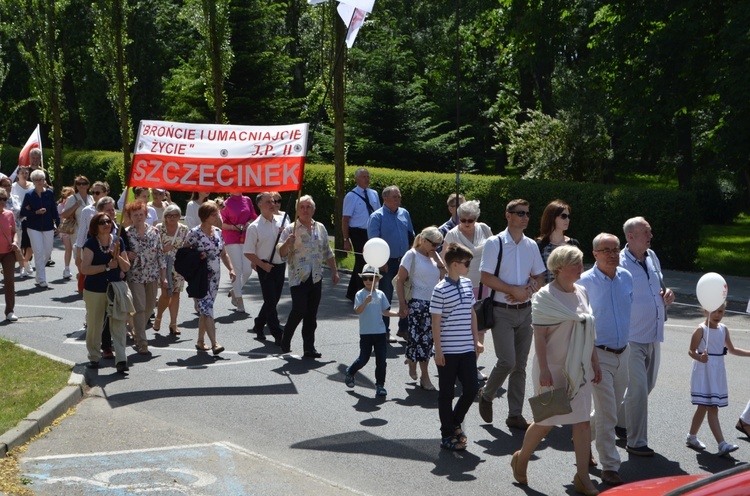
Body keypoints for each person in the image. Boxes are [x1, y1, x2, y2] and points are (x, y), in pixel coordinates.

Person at [512, 245, 601, 495]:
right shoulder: (544, 297)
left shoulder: (582, 291)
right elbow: (539, 336)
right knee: (546, 422)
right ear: (560, 268)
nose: (581, 268)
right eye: (576, 264)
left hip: (579, 367)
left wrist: (594, 361)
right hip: (550, 368)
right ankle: (521, 458)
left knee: (582, 422)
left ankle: (582, 477)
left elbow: (588, 330)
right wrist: (543, 370)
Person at [477, 199, 545, 430]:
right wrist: (513, 290)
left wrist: (530, 288)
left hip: (525, 311)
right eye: (520, 213)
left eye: (527, 213)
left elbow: (540, 276)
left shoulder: (531, 245)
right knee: (507, 361)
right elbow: (485, 277)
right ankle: (486, 395)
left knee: (520, 366)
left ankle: (514, 414)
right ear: (508, 215)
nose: (525, 217)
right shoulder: (494, 243)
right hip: (501, 311)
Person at [578, 233, 633, 487]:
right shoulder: (584, 282)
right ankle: (610, 467)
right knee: (609, 413)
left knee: (607, 409)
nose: (613, 253)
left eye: (616, 248)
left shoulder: (626, 277)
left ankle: (581, 433)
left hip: (624, 352)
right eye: (606, 249)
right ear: (595, 254)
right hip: (598, 355)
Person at [618, 216, 674, 456]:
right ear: (631, 237)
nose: (650, 235)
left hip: (654, 333)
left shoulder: (652, 257)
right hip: (631, 337)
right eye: (645, 232)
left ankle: (619, 422)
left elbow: (658, 287)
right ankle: (636, 441)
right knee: (638, 389)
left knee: (647, 385)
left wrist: (667, 295)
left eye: (650, 231)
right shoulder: (619, 263)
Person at [431, 243, 482, 451]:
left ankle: (454, 422)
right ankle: (447, 434)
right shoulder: (439, 290)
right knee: (446, 394)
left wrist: (476, 339)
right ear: (454, 265)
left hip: (467, 349)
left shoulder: (468, 284)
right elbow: (435, 322)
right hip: (448, 351)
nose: (469, 267)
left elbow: (471, 313)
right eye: (466, 263)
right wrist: (438, 350)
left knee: (471, 388)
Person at [278, 195, 339, 357]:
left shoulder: (320, 228)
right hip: (299, 277)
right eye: (302, 207)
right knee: (299, 310)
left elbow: (327, 251)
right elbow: (280, 252)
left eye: (308, 207)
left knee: (311, 315)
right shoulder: (291, 229)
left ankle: (309, 348)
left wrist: (334, 270)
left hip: (316, 276)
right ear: (297, 210)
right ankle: (286, 339)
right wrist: (287, 243)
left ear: (314, 209)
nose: (305, 210)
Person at [687, 302, 750, 456]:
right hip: (703, 372)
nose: (717, 315)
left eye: (721, 311)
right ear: (705, 311)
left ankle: (691, 436)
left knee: (703, 407)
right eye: (714, 311)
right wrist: (700, 357)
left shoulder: (723, 329)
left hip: (716, 372)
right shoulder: (700, 330)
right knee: (711, 407)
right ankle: (722, 444)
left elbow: (733, 349)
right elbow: (691, 351)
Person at [443, 200, 493, 381]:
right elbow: (444, 262)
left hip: (483, 284)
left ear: (476, 219)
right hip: (461, 286)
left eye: (469, 220)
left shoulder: (485, 229)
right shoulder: (452, 234)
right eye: (462, 220)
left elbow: (493, 253)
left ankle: (472, 367)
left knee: (480, 327)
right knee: (463, 328)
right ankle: (459, 365)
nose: (465, 224)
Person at [80, 212, 131, 373]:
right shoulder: (90, 244)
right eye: (102, 222)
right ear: (96, 227)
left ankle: (121, 359)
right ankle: (94, 357)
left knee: (118, 324)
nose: (106, 224)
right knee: (95, 325)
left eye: (109, 221)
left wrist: (117, 257)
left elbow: (126, 267)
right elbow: (85, 268)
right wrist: (107, 267)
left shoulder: (118, 241)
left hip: (115, 289)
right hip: (95, 290)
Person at [396, 226, 445, 390]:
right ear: (424, 241)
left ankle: (412, 361)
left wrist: (438, 260)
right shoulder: (411, 255)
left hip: (434, 304)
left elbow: (443, 278)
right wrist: (403, 304)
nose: (436, 247)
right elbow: (400, 280)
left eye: (439, 244)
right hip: (417, 303)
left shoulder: (434, 256)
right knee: (421, 340)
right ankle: (424, 377)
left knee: (427, 340)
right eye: (434, 243)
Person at [185, 201, 235, 354]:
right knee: (207, 309)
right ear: (205, 217)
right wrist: (197, 257)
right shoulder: (194, 233)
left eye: (217, 214)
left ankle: (200, 341)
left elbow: (224, 253)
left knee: (206, 309)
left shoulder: (218, 232)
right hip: (200, 277)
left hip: (215, 278)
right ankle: (215, 343)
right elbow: (184, 253)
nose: (217, 216)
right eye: (214, 215)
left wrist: (231, 269)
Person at [367, 185, 415, 343]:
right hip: (386, 263)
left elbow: (410, 235)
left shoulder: (405, 213)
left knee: (407, 295)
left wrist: (410, 256)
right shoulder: (377, 217)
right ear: (385, 199)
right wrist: (381, 262)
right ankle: (384, 331)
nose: (398, 200)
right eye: (395, 197)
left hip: (404, 262)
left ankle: (404, 328)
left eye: (399, 197)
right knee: (386, 297)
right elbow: (373, 242)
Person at [344, 264, 399, 396]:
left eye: (371, 278)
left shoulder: (380, 295)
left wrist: (398, 314)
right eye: (365, 278)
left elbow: (385, 312)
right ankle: (350, 371)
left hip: (380, 333)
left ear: (377, 280)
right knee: (363, 358)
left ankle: (380, 385)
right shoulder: (360, 294)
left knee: (381, 361)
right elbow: (358, 311)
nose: (368, 281)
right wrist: (365, 302)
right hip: (366, 333)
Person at [124, 200, 167, 355]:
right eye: (135, 215)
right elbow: (120, 253)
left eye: (141, 214)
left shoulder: (154, 231)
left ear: (146, 215)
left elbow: (160, 255)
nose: (139, 217)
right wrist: (127, 254)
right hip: (135, 274)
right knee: (140, 307)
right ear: (130, 217)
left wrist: (164, 277)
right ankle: (142, 341)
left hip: (152, 274)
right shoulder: (127, 233)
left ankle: (137, 328)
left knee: (149, 306)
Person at [244, 192, 287, 343]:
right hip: (265, 266)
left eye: (274, 201)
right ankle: (277, 334)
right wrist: (262, 265)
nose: (272, 204)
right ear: (260, 205)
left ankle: (259, 323)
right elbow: (248, 252)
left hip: (280, 265)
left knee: (273, 299)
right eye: (268, 202)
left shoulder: (282, 221)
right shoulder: (254, 227)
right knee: (270, 301)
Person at [343, 168, 380, 301]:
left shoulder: (374, 194)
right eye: (364, 177)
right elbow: (345, 219)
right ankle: (360, 293)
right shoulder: (351, 196)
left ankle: (352, 291)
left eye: (368, 176)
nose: (367, 179)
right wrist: (346, 239)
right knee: (362, 260)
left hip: (372, 231)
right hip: (358, 232)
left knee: (365, 261)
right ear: (357, 179)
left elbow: (378, 213)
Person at [20, 169, 59, 288]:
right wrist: (35, 212)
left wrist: (58, 223)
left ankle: (38, 274)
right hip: (33, 227)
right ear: (33, 181)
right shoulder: (29, 194)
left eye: (41, 179)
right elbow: (23, 212)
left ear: (44, 180)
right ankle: (42, 279)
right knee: (38, 251)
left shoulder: (49, 193)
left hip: (48, 226)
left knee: (47, 251)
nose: (39, 182)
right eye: (36, 180)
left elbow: (54, 209)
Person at [154, 204, 189, 336]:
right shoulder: (158, 228)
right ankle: (158, 317)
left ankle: (173, 323)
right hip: (163, 265)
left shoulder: (184, 229)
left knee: (175, 294)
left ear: (180, 217)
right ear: (165, 217)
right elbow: (153, 249)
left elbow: (188, 247)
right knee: (166, 294)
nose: (172, 218)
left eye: (175, 215)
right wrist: (164, 249)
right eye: (169, 215)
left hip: (179, 266)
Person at [221, 191, 257, 314]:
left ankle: (234, 291)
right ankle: (239, 300)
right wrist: (234, 227)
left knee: (248, 270)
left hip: (245, 237)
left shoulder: (247, 200)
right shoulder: (225, 204)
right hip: (231, 239)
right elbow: (221, 223)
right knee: (237, 269)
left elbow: (253, 216)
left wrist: (249, 223)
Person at [537, 199, 581, 284]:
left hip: (569, 293)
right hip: (547, 295)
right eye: (564, 216)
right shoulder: (539, 245)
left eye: (568, 216)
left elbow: (579, 271)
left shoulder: (573, 244)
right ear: (552, 217)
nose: (567, 220)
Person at [61, 176, 94, 279]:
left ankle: (84, 277)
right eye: (79, 184)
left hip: (90, 231)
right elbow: (64, 214)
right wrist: (76, 205)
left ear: (88, 185)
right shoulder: (72, 198)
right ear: (76, 186)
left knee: (89, 256)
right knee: (79, 256)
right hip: (77, 230)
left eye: (84, 183)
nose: (81, 186)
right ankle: (82, 275)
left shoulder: (91, 198)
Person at [0, 189, 20, 321]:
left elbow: (15, 232)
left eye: (4, 199)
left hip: (8, 252)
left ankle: (9, 311)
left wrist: (15, 242)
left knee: (9, 281)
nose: (2, 201)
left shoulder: (9, 214)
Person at [12, 166, 34, 277]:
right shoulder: (13, 187)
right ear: (17, 175)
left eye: (26, 173)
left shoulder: (32, 185)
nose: (24, 175)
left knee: (30, 244)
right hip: (18, 218)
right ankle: (22, 266)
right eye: (22, 173)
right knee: (20, 243)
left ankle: (26, 261)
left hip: (31, 217)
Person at [57, 187, 76, 279]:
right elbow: (62, 217)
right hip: (66, 229)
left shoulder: (77, 203)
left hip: (76, 228)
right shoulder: (61, 206)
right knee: (68, 249)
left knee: (77, 249)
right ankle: (67, 268)